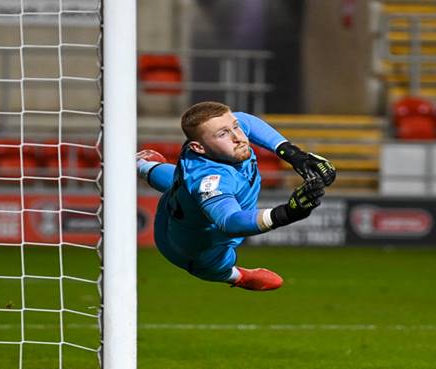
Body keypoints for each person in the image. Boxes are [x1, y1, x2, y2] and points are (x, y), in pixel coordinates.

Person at [136, 101, 335, 291]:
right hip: (193, 252)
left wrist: (293, 154)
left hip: (178, 204)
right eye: (223, 134)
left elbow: (246, 121)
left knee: (180, 185)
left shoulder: (212, 142)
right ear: (198, 147)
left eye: (235, 127)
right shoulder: (212, 180)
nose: (238, 137)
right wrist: (286, 213)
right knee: (216, 266)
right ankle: (238, 277)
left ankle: (141, 164)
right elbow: (229, 221)